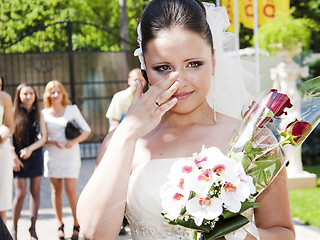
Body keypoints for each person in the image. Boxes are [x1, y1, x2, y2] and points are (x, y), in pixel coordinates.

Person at [77, 1, 295, 240]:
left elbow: (282, 232)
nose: (178, 81)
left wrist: (241, 234)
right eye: (163, 67)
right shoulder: (123, 141)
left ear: (213, 59)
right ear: (145, 69)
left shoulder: (252, 140)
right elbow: (93, 232)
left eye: (193, 64)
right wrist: (127, 134)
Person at [42, 80, 91, 240]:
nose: (55, 95)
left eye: (58, 91)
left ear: (63, 93)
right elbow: (40, 138)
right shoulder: (44, 113)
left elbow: (86, 130)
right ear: (48, 95)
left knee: (71, 190)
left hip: (70, 155)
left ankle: (77, 224)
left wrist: (72, 141)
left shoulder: (72, 110)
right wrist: (53, 142)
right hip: (53, 154)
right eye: (52, 92)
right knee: (56, 191)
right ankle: (59, 224)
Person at [11, 83, 47, 240]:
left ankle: (33, 228)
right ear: (19, 96)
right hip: (18, 157)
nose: (28, 96)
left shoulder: (39, 113)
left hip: (35, 155)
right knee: (20, 194)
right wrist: (13, 156)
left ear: (35, 95)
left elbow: (44, 138)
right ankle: (14, 228)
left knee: (35, 192)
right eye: (25, 94)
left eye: (31, 93)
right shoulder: (12, 113)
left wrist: (30, 149)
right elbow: (9, 138)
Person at [0, 75, 19, 226]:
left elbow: (10, 126)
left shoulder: (4, 97)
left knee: (1, 202)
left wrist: (4, 132)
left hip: (2, 152)